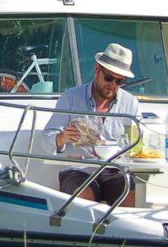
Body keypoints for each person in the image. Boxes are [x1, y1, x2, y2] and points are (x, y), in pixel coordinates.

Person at [45, 43, 142, 206]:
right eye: (109, 78)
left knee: (131, 195)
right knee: (83, 201)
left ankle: (122, 232)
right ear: (97, 70)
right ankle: (88, 231)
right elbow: (46, 139)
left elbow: (138, 140)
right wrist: (62, 137)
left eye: (120, 81)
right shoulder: (70, 97)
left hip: (115, 170)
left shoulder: (130, 103)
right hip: (78, 169)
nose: (113, 84)